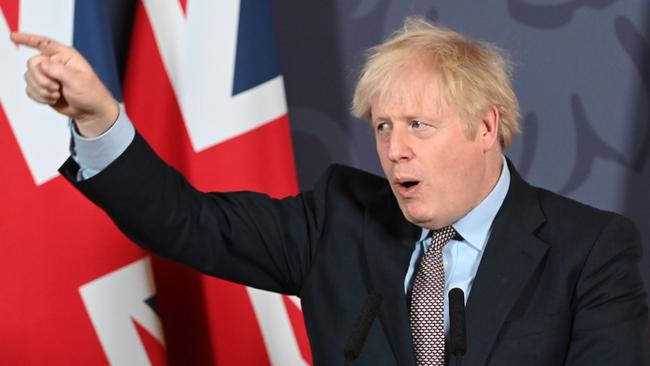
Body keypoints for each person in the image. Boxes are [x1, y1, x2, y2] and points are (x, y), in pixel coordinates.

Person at [11, 17, 649, 365]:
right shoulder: (340, 219)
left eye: (419, 127)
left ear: (487, 128)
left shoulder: (587, 249)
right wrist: (98, 117)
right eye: (382, 127)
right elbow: (187, 223)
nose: (394, 149)